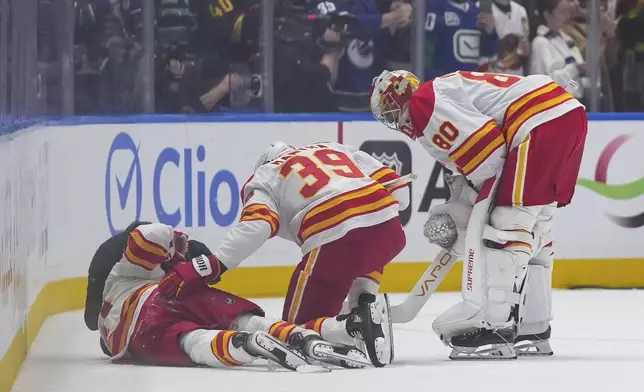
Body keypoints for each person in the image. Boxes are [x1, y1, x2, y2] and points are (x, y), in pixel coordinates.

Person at [369, 69, 588, 359]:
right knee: (538, 227)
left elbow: (488, 157)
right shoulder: (441, 92)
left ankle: (494, 328)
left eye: (389, 109)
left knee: (506, 227)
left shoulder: (423, 104)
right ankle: (533, 325)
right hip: (564, 114)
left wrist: (473, 205)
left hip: (535, 120)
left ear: (400, 96)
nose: (393, 120)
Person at [163, 141, 410, 367]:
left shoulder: (265, 175)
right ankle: (365, 308)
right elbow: (401, 194)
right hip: (389, 229)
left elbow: (258, 225)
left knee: (294, 332)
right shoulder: (332, 148)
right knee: (366, 253)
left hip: (336, 238)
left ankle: (353, 324)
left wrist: (216, 263)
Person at [86, 221, 369, 371]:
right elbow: (206, 268)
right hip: (161, 296)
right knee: (238, 317)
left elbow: (95, 325)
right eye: (175, 243)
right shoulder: (166, 277)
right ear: (160, 257)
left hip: (134, 339)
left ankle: (242, 345)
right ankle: (291, 333)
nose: (182, 245)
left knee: (191, 341)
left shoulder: (116, 268)